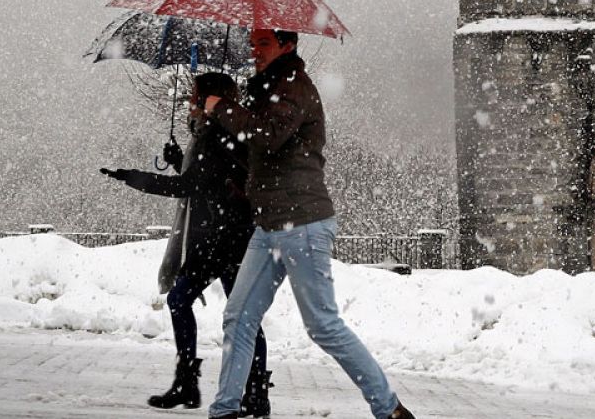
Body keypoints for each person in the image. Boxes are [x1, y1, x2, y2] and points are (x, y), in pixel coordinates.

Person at [201, 28, 415, 419]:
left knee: (322, 325)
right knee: (239, 316)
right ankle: (225, 410)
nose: (255, 51)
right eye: (252, 44)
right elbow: (258, 152)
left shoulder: (294, 86)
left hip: (302, 223)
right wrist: (207, 124)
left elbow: (266, 136)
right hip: (270, 226)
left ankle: (391, 411)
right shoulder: (267, 90)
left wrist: (221, 108)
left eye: (263, 43)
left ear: (287, 44)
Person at [102, 71, 273, 415]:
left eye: (195, 96)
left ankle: (197, 384)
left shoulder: (216, 137)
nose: (190, 102)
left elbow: (187, 187)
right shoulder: (220, 134)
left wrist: (134, 177)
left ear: (210, 100)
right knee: (236, 314)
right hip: (227, 236)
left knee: (204, 306)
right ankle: (246, 391)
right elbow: (207, 180)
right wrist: (181, 159)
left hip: (222, 239)